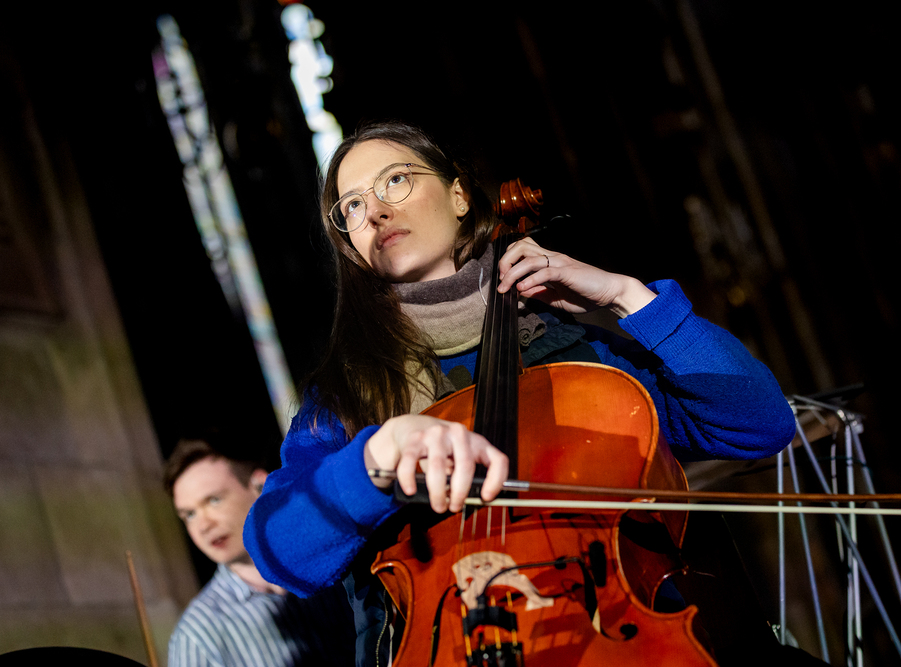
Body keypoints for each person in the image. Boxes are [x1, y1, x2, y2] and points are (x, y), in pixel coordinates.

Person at [243, 120, 797, 665]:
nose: (376, 212)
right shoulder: (345, 396)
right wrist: (372, 463)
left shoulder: (579, 356)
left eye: (395, 181)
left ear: (460, 196)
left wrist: (629, 298)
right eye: (353, 207)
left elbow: (757, 424)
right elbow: (277, 552)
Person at [164, 435, 354, 666]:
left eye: (214, 500)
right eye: (190, 515)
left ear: (260, 485)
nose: (203, 526)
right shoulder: (197, 637)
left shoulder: (338, 560)